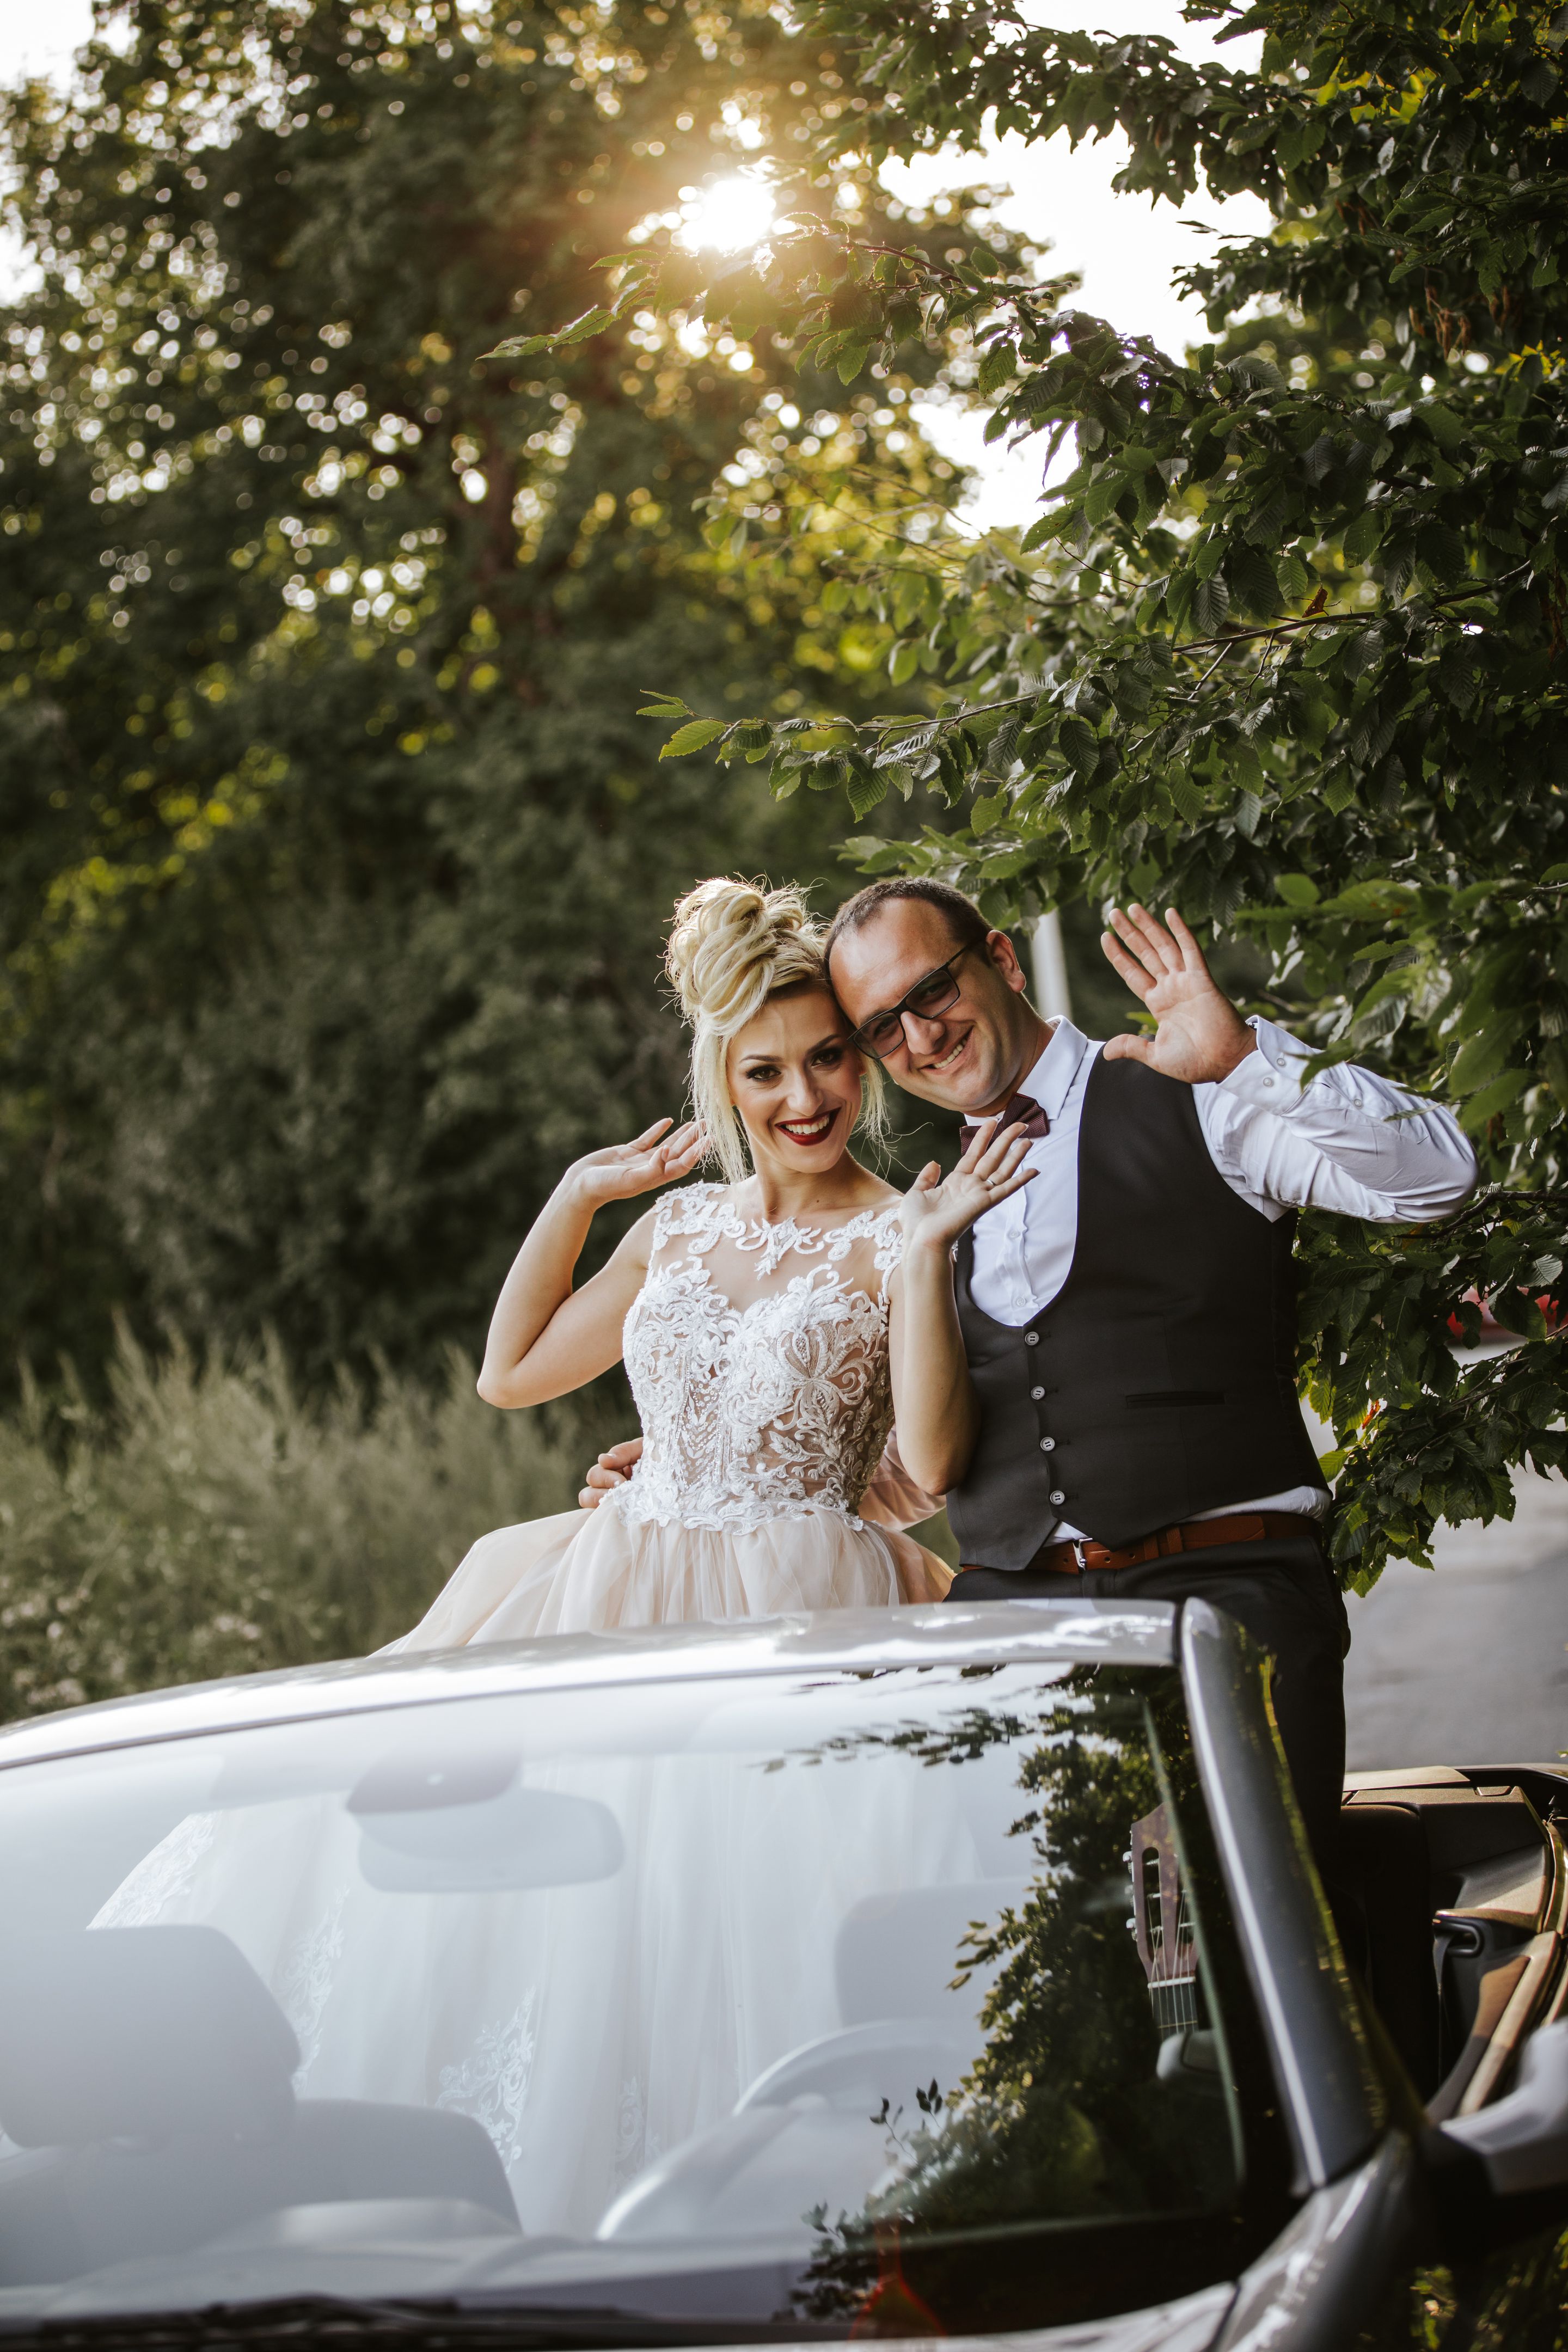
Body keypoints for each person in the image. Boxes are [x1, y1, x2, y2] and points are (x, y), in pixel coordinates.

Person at [582, 880, 1479, 1885]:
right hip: (1012, 1634)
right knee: (1051, 1997)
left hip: (1226, 1601)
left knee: (1254, 1959)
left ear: (1001, 962)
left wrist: (1245, 1060)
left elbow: (1436, 1180)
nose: (920, 1035)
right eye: (883, 1026)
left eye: (932, 991)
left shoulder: (1193, 1093)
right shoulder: (917, 1218)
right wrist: (699, 1473)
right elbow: (923, 1469)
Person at [385, 875, 1033, 1650]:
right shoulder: (676, 1227)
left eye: (826, 1057)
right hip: (617, 1584)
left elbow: (927, 1466)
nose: (804, 1098)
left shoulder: (909, 1235)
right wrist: (575, 1197)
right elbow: (510, 1374)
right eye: (765, 1071)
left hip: (810, 1598)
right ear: (724, 1081)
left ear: (860, 1061)